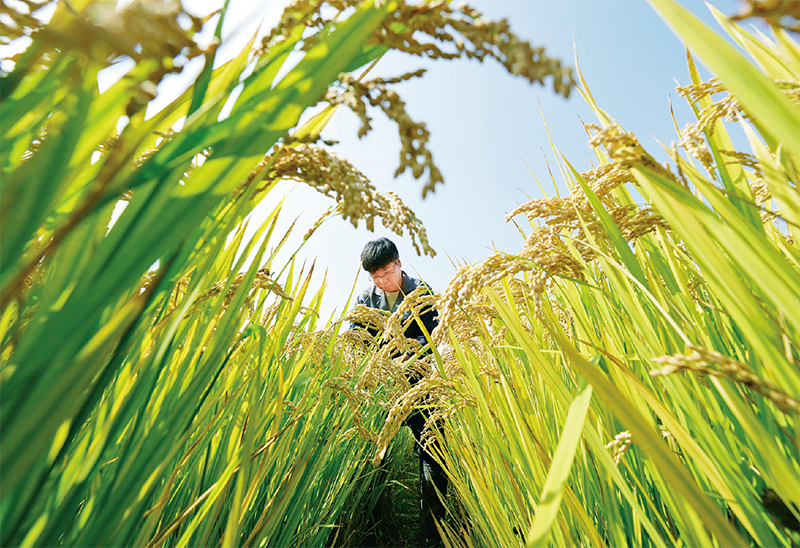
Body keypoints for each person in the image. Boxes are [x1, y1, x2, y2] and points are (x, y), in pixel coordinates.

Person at [350, 237, 447, 547]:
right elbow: (356, 342)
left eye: (387, 273)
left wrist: (408, 353)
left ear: (399, 263)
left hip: (420, 387)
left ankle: (432, 533)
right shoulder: (365, 299)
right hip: (381, 391)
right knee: (371, 453)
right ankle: (372, 530)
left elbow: (435, 336)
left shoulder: (422, 293)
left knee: (433, 450)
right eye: (375, 277)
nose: (382, 281)